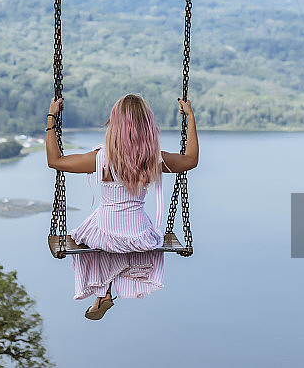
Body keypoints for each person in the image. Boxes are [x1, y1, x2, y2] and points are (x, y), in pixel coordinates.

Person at [46, 93, 198, 320]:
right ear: (147, 127)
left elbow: (55, 161)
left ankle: (103, 291)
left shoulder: (102, 158)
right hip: (140, 235)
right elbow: (190, 160)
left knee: (90, 234)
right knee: (117, 237)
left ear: (115, 125)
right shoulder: (153, 158)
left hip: (105, 233)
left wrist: (51, 119)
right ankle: (103, 292)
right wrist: (190, 118)